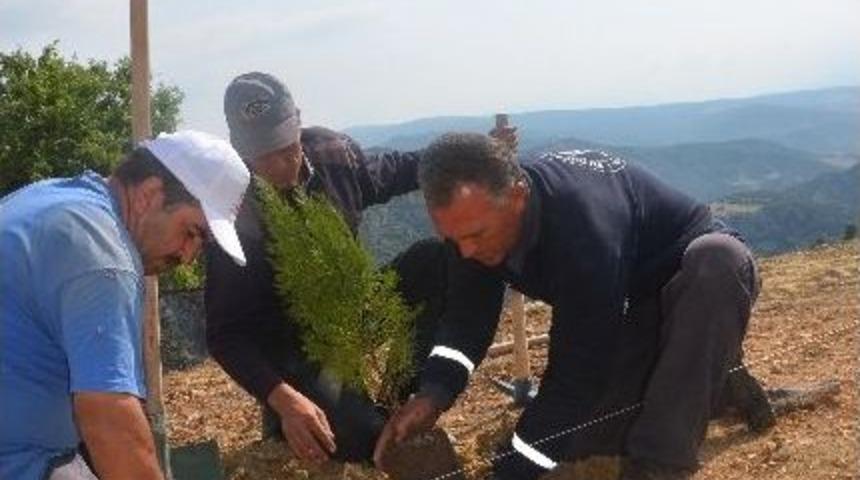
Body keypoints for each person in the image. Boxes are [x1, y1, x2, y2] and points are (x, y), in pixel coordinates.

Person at [373, 133, 776, 480]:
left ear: (517, 196)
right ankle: (714, 382)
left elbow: (577, 372)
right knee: (584, 441)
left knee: (716, 260)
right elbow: (466, 321)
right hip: (629, 311)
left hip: (696, 288)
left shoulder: (582, 222)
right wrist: (433, 394)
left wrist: (512, 472)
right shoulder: (472, 226)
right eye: (452, 238)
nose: (465, 251)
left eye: (476, 236)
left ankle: (661, 464)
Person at [205, 71, 462, 468]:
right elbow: (225, 334)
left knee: (440, 260)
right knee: (362, 440)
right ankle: (302, 415)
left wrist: (468, 159)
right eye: (262, 156)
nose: (279, 164)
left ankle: (399, 396)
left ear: (298, 122)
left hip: (356, 314)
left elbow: (400, 168)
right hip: (295, 353)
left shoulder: (332, 155)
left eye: (287, 148)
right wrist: (281, 397)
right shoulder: (233, 212)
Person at [0, 130, 250, 480]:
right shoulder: (103, 257)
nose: (187, 256)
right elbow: (109, 419)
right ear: (149, 195)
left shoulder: (51, 199)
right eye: (192, 232)